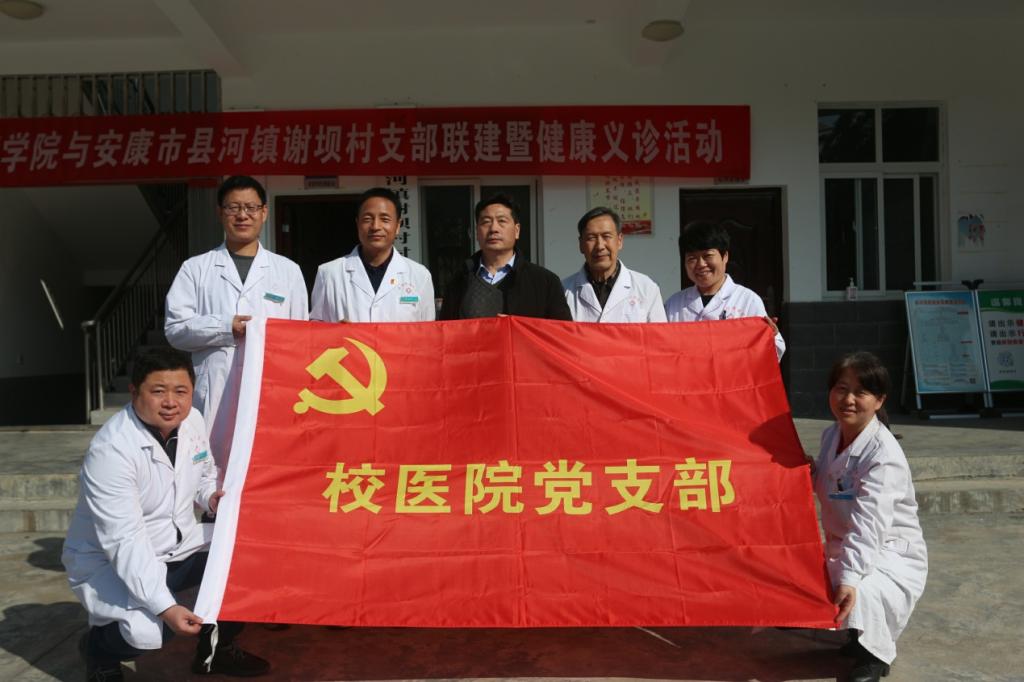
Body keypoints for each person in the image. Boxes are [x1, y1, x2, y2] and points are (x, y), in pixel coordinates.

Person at [62, 347, 269, 680]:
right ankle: (98, 652)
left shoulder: (192, 420)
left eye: (181, 391)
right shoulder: (111, 451)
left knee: (253, 558)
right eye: (158, 391)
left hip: (180, 542)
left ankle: (217, 649)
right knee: (150, 631)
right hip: (113, 559)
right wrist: (166, 607)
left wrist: (210, 497)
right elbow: (125, 542)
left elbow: (204, 471)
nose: (171, 402)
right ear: (134, 392)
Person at [165, 175, 308, 472]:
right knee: (213, 472)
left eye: (251, 207)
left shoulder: (288, 271)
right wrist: (224, 327)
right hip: (215, 392)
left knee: (266, 468)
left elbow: (301, 339)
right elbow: (175, 330)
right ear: (220, 213)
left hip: (270, 390)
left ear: (264, 213)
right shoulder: (195, 269)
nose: (242, 215)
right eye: (233, 208)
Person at [813, 352, 927, 682]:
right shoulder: (831, 435)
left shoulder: (883, 454)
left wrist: (850, 576)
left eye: (860, 392)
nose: (848, 400)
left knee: (859, 586)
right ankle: (854, 634)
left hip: (887, 551)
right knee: (803, 576)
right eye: (841, 388)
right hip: (844, 544)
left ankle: (875, 654)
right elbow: (832, 481)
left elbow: (869, 525)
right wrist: (810, 471)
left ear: (879, 400)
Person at [310, 187, 435, 323]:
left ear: (398, 226)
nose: (375, 226)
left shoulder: (420, 276)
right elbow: (316, 329)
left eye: (385, 219)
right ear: (358, 224)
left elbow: (428, 332)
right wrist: (336, 332)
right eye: (367, 219)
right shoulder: (329, 274)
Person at [665, 220, 785, 359]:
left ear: (725, 256)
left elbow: (773, 353)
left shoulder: (747, 300)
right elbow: (662, 349)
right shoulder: (674, 304)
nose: (701, 264)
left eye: (707, 256)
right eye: (692, 258)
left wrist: (771, 336)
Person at [440, 193, 572, 321]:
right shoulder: (458, 283)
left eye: (502, 221)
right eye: (486, 222)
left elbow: (561, 332)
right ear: (476, 232)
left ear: (517, 230)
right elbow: (446, 331)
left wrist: (518, 326)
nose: (494, 229)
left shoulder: (545, 282)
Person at [562, 206, 667, 322]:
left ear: (619, 240)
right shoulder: (563, 291)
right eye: (591, 238)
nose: (600, 246)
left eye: (606, 236)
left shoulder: (647, 288)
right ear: (581, 244)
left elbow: (657, 333)